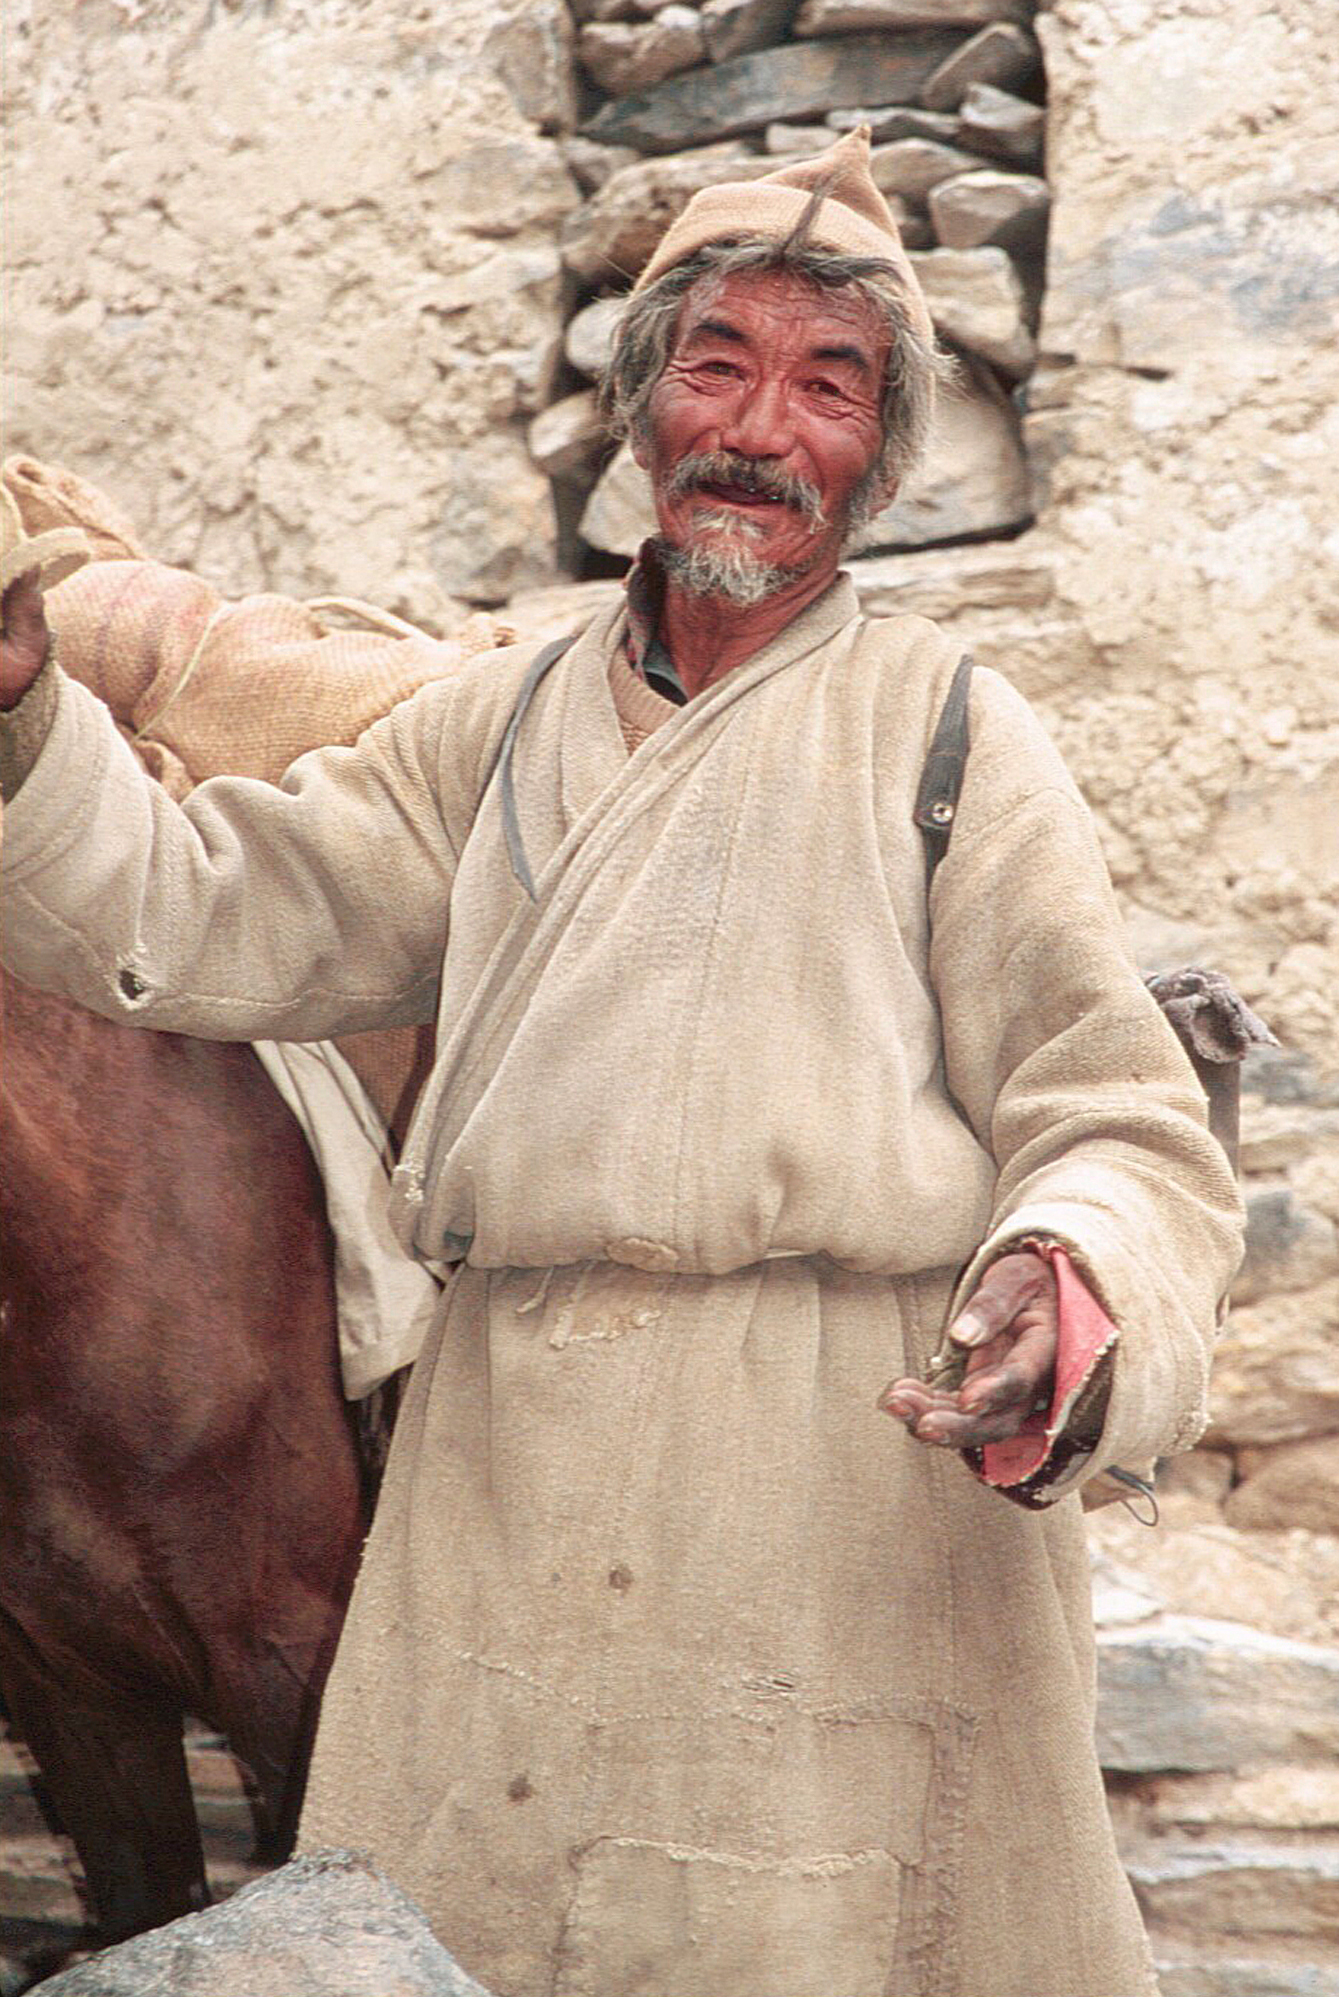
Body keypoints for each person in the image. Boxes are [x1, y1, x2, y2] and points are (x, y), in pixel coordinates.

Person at [0, 132, 1241, 1997]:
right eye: (717, 361)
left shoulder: (956, 739)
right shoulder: (487, 731)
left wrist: (1065, 1288)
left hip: (839, 1488)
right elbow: (194, 908)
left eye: (829, 385)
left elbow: (1120, 1116)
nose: (763, 424)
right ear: (642, 412)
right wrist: (29, 711)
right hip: (513, 1483)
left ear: (879, 461)